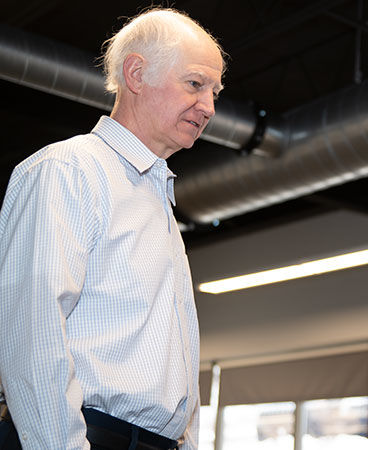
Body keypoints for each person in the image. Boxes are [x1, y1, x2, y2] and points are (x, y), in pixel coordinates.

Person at [0, 8, 224, 450]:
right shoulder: (68, 170)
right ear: (136, 74)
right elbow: (32, 331)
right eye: (195, 84)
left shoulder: (154, 194)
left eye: (215, 92)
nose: (209, 107)